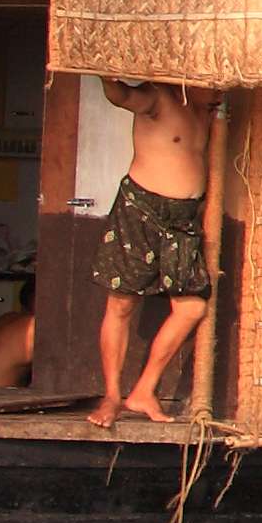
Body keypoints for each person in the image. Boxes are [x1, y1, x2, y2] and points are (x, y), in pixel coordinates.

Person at [94, 80, 219, 426]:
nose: (219, 90)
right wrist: (103, 73)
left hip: (183, 221)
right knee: (121, 303)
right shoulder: (159, 98)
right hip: (141, 209)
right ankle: (111, 395)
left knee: (192, 307)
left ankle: (143, 390)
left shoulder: (206, 113)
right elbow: (120, 96)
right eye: (214, 83)